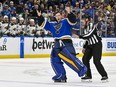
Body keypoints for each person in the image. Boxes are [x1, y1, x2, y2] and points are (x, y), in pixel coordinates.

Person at [36, 5, 87, 82]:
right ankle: (61, 75)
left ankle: (82, 69)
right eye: (56, 16)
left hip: (66, 42)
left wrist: (69, 13)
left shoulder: (66, 21)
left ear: (62, 15)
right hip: (57, 43)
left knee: (69, 58)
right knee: (54, 59)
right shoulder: (51, 24)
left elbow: (73, 21)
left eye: (59, 15)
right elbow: (42, 24)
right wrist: (40, 16)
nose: (57, 17)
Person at [79, 14, 108, 82]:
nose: (82, 21)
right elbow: (87, 40)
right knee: (85, 59)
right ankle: (88, 75)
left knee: (96, 61)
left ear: (87, 20)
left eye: (83, 19)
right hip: (90, 46)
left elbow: (89, 35)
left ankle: (104, 75)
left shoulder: (91, 25)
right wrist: (84, 47)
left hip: (96, 45)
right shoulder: (85, 28)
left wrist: (80, 36)